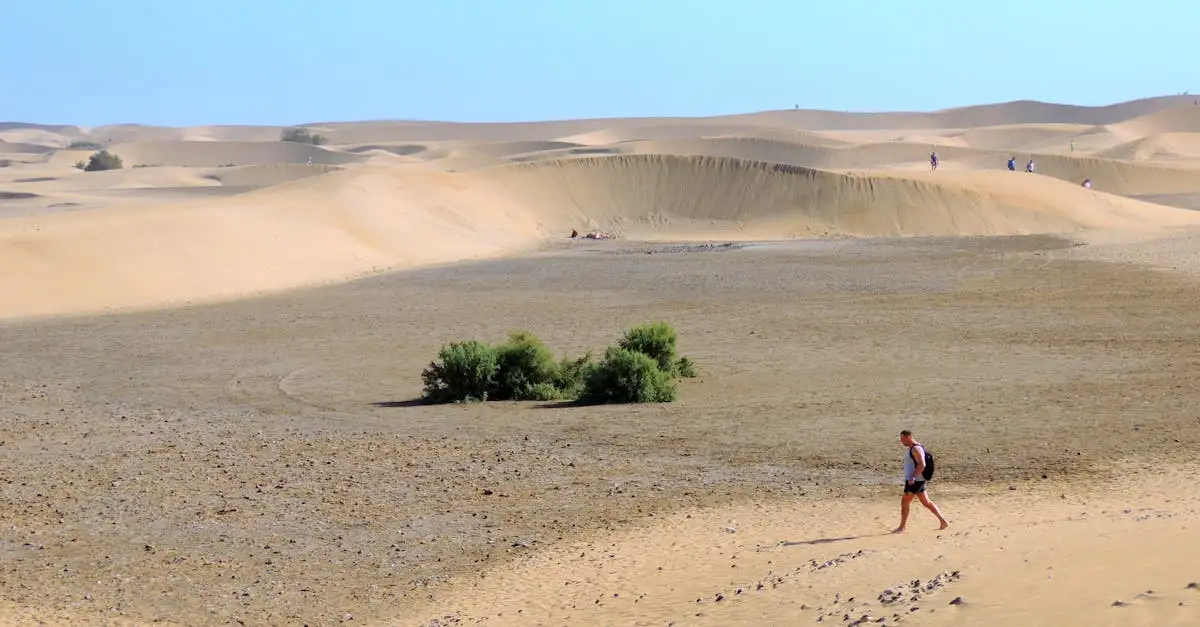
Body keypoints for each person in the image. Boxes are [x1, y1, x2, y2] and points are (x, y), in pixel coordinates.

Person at [894, 430, 949, 533]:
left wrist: (913, 477)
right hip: (918, 480)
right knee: (926, 502)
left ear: (908, 437)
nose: (901, 442)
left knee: (905, 502)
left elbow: (922, 464)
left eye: (902, 439)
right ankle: (943, 521)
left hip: (915, 481)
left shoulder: (915, 448)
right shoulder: (915, 447)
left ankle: (902, 527)